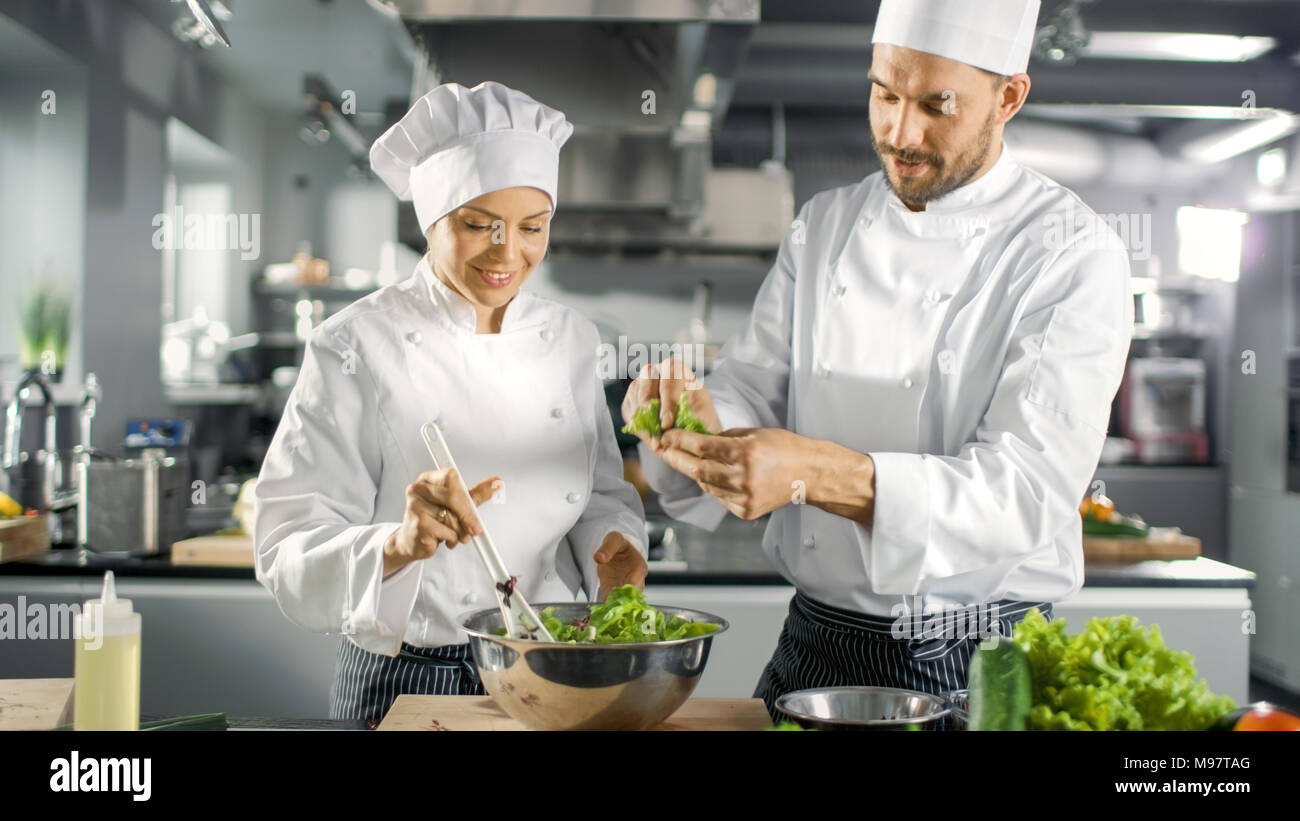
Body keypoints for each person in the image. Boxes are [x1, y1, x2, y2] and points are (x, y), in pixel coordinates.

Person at [626, 0, 1133, 720]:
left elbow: (1022, 488)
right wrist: (699, 416)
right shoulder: (826, 224)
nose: (901, 132)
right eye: (884, 94)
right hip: (818, 638)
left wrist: (809, 471)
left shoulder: (1071, 252)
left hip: (979, 655)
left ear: (1009, 97)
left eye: (936, 105)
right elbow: (751, 389)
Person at [253, 81, 648, 726]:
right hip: (409, 674)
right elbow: (286, 549)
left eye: (532, 227)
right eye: (477, 225)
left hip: (544, 661)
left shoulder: (571, 338)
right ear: (430, 221)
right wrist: (400, 543)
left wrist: (617, 544)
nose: (508, 252)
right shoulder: (356, 343)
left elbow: (596, 493)